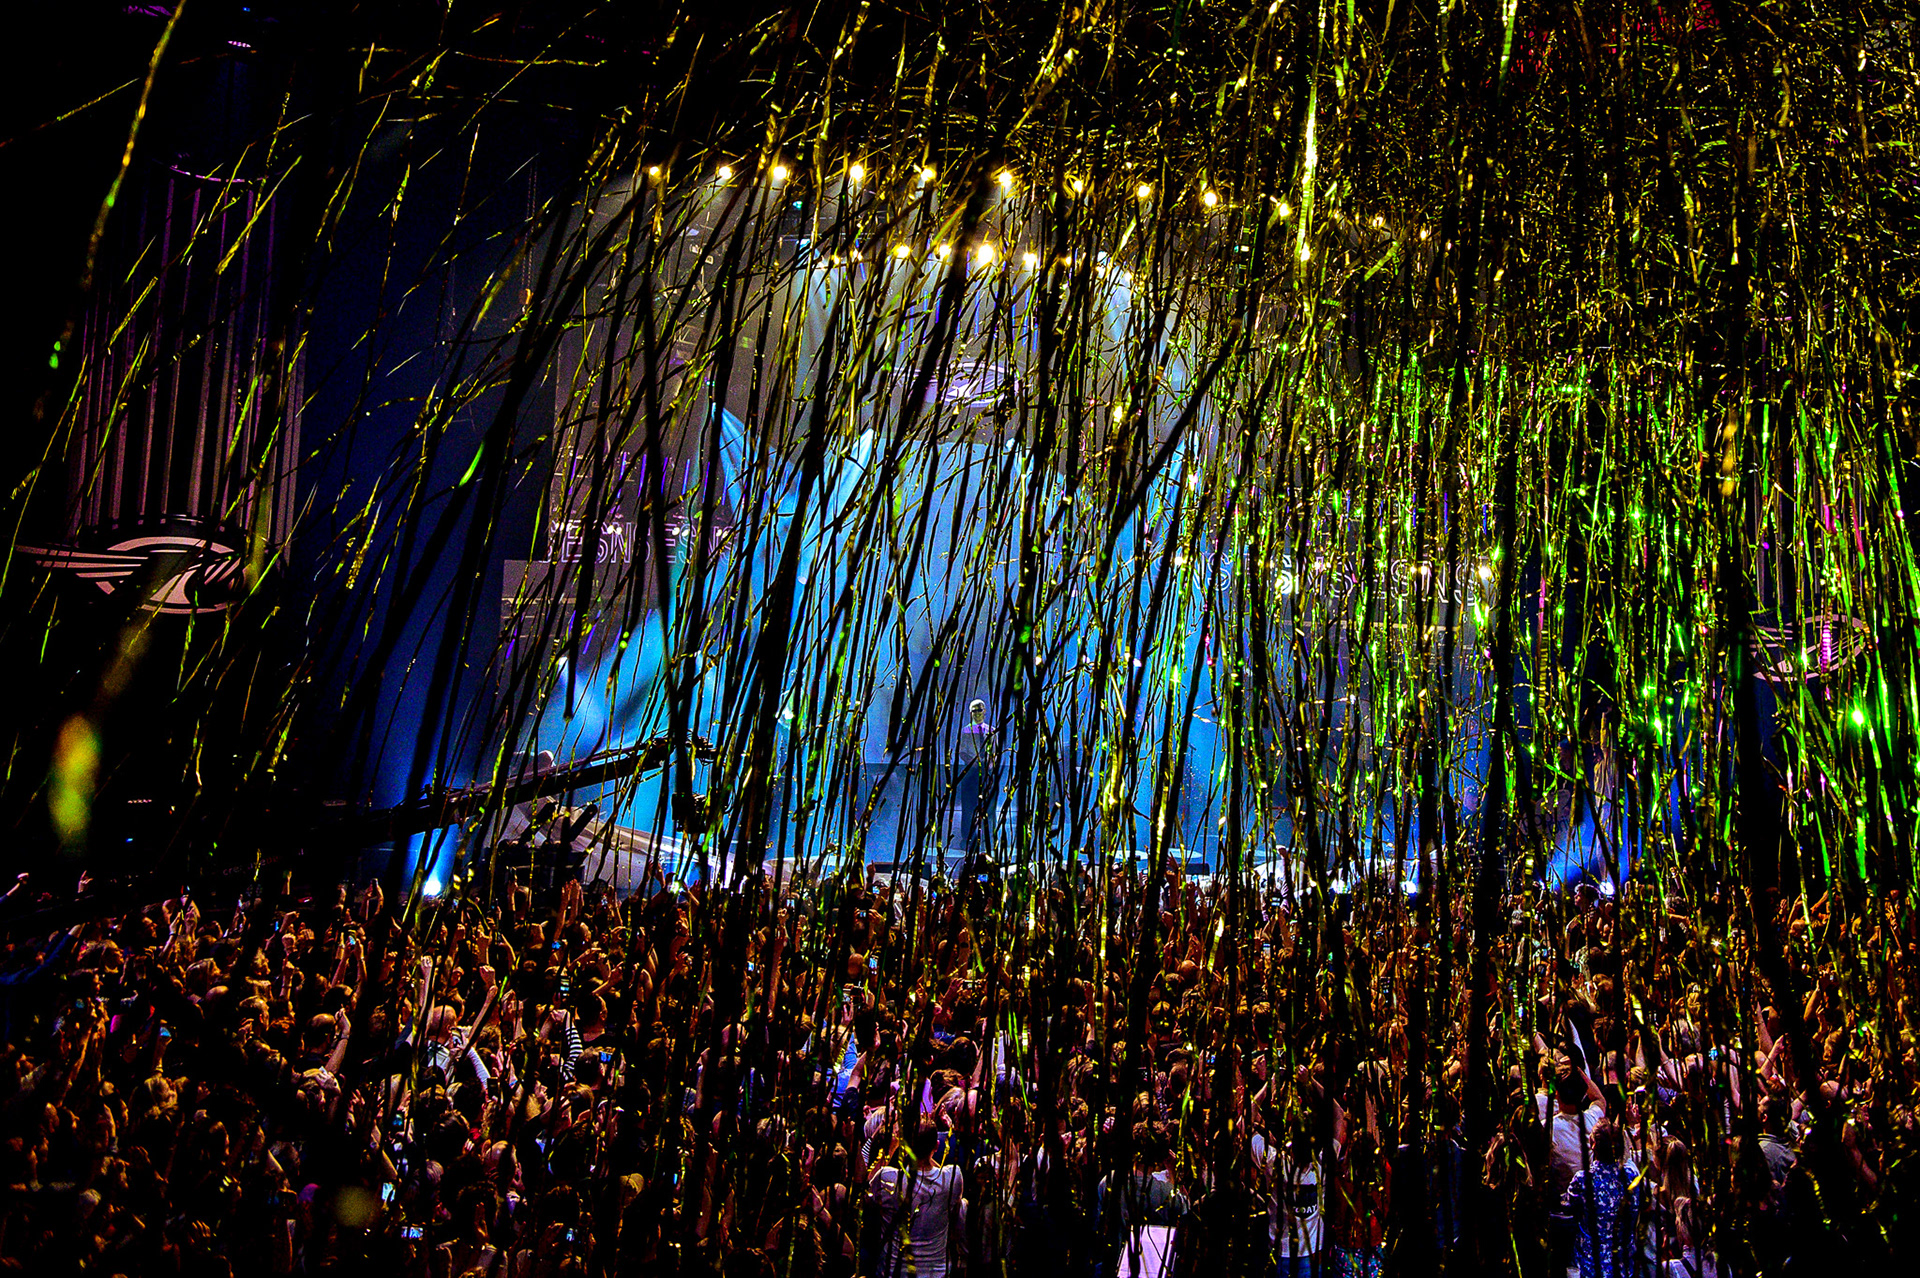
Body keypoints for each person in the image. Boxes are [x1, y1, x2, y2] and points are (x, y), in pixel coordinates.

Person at [868, 1119, 966, 1278]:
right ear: (937, 1146)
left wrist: (891, 1149)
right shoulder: (952, 1177)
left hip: (894, 1272)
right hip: (936, 1273)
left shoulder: (888, 1178)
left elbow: (866, 1192)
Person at [1095, 1123, 1187, 1278]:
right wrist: (1173, 1172)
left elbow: (1097, 1223)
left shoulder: (1109, 1182)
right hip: (1152, 1268)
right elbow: (1185, 1210)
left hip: (1113, 1265)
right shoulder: (1164, 1192)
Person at [1565, 1119, 1641, 1278]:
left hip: (1592, 1265)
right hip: (1623, 1265)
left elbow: (1570, 1208)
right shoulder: (1631, 1176)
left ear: (1593, 1144)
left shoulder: (1583, 1180)